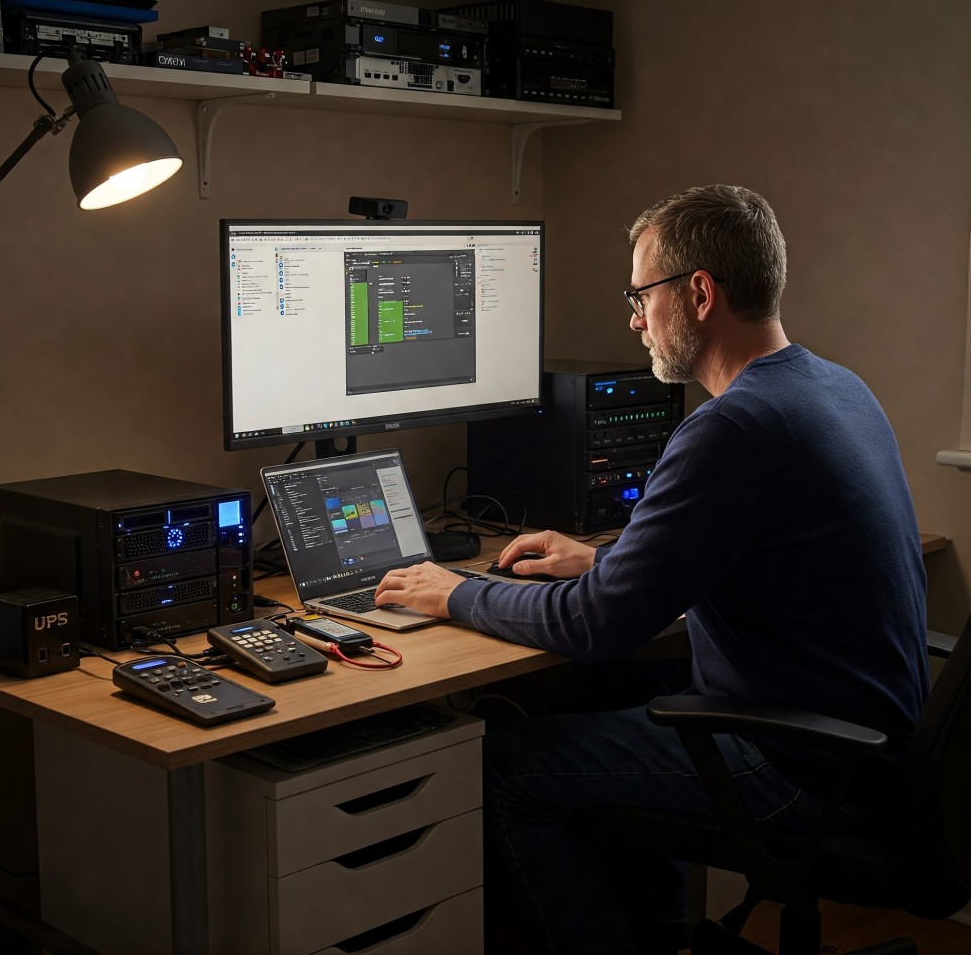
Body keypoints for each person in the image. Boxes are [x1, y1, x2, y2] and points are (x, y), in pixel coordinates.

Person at [374, 184, 929, 954]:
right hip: (871, 750)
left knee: (509, 766)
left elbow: (598, 624)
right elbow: (738, 560)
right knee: (590, 693)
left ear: (699, 293)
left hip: (800, 770)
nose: (634, 318)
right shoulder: (835, 387)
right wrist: (603, 559)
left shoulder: (732, 428)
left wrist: (456, 592)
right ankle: (659, 934)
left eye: (642, 295)